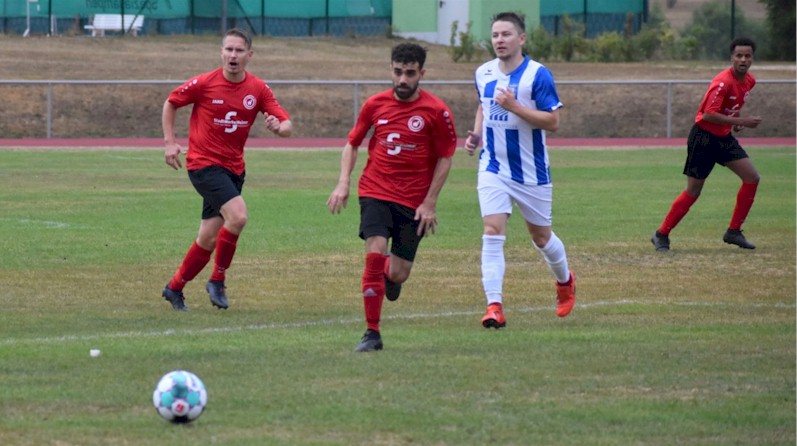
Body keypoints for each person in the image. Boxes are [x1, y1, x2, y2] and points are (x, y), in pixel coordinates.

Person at [327, 42, 457, 352]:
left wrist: (430, 202)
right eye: (398, 72)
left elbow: (445, 157)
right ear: (391, 70)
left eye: (410, 74)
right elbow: (352, 144)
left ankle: (389, 272)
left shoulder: (437, 111)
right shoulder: (374, 105)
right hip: (375, 190)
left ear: (421, 73)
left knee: (399, 272)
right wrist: (343, 183)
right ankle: (372, 333)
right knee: (374, 250)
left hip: (413, 201)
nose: (402, 80)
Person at [161, 28, 292, 311]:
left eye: (239, 51)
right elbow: (171, 103)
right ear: (221, 52)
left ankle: (174, 287)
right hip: (204, 165)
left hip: (234, 170)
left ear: (249, 55)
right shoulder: (204, 83)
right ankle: (217, 280)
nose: (233, 55)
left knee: (208, 238)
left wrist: (277, 127)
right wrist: (170, 143)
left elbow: (286, 125)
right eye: (229, 50)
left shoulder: (258, 88)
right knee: (239, 216)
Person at [464, 12, 575, 329]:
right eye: (495, 35)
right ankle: (494, 306)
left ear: (521, 39)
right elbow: (483, 107)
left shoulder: (538, 75)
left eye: (506, 34)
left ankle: (565, 282)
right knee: (492, 231)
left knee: (541, 238)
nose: (499, 40)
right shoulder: (483, 72)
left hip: (531, 173)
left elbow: (553, 122)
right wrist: (477, 136)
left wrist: (515, 108)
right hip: (493, 167)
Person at [651, 37, 762, 252]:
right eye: (739, 55)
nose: (743, 59)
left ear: (752, 59)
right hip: (703, 138)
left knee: (752, 178)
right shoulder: (723, 82)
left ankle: (733, 232)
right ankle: (661, 234)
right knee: (693, 191)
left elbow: (731, 105)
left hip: (723, 138)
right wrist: (741, 121)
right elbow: (709, 114)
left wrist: (736, 119)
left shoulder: (749, 81)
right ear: (732, 58)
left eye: (747, 56)